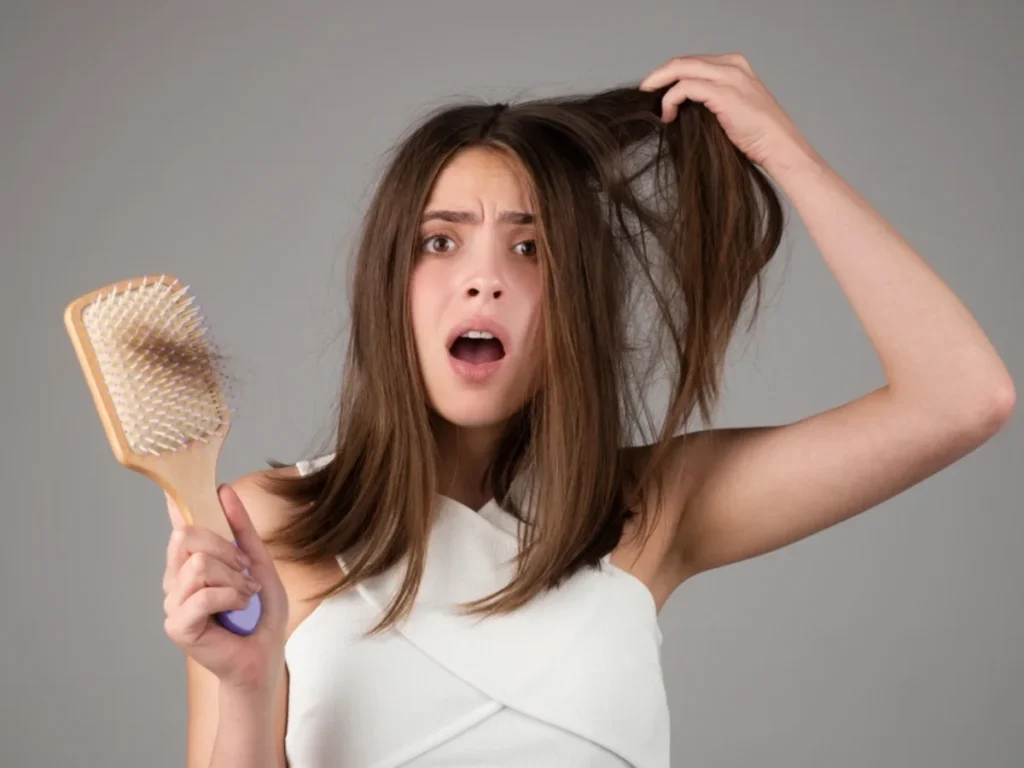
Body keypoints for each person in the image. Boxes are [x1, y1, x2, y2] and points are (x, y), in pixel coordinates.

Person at [159, 54, 1015, 768]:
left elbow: (964, 398)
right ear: (388, 286)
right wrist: (246, 682)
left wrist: (789, 157)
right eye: (440, 241)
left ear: (575, 302)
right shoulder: (266, 528)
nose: (484, 276)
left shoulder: (649, 514)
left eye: (529, 248)